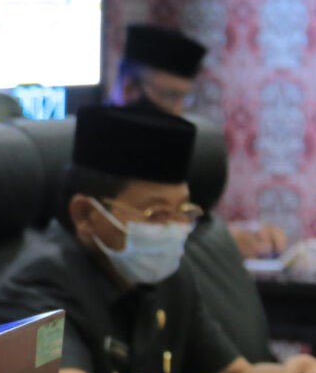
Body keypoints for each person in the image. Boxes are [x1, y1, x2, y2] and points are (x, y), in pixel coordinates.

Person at [0, 104, 316, 373]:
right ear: (86, 215)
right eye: (156, 214)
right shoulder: (38, 284)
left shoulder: (168, 274)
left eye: (183, 211)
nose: (175, 229)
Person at [111, 22, 285, 259]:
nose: (178, 111)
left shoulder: (173, 149)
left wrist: (248, 235)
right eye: (170, 96)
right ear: (130, 88)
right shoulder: (92, 152)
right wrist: (218, 244)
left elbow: (187, 226)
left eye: (184, 98)